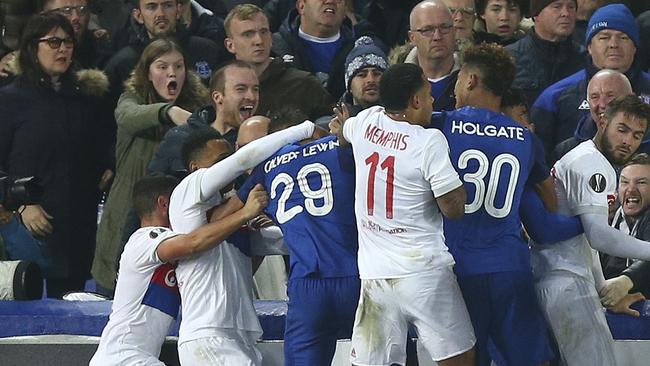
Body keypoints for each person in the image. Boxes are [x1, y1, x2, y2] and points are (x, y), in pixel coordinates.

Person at [429, 42, 573, 366]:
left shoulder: (439, 126)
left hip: (456, 271)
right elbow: (547, 210)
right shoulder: (525, 139)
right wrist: (588, 222)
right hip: (511, 269)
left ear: (469, 80)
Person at [335, 62, 476, 366]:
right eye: (428, 95)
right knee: (460, 359)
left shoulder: (366, 121)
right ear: (414, 101)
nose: (432, 101)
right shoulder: (428, 141)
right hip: (423, 273)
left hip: (375, 276)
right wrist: (460, 190)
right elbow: (453, 210)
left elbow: (342, 132)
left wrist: (341, 129)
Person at [170, 122, 318, 365]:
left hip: (239, 337)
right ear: (194, 167)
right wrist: (303, 130)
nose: (231, 167)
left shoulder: (236, 215)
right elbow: (244, 160)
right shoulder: (186, 193)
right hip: (208, 335)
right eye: (221, 160)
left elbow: (286, 243)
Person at [90, 175, 268, 365]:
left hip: (137, 357)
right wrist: (244, 213)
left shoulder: (174, 255)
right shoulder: (144, 240)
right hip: (123, 356)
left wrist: (254, 242)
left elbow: (231, 272)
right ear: (164, 204)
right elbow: (193, 243)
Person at [531, 95, 650, 366]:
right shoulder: (592, 165)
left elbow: (586, 237)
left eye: (637, 135)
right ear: (602, 121)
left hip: (559, 278)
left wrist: (602, 289)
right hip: (567, 283)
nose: (628, 141)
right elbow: (599, 235)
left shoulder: (586, 158)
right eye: (622, 129)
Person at [0, 12, 111, 298]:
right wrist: (21, 204)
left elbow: (105, 145)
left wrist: (107, 167)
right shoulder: (9, 99)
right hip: (28, 226)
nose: (63, 49)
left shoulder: (86, 98)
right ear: (31, 47)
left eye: (68, 42)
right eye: (53, 42)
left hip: (79, 226)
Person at [231, 123, 359, 365]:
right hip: (356, 275)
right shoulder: (342, 146)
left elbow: (224, 214)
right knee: (386, 356)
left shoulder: (268, 165)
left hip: (306, 285)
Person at [92, 38, 208, 296]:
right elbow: (127, 116)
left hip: (175, 223)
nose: (171, 73)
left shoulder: (198, 110)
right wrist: (168, 112)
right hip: (126, 217)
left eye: (178, 67)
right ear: (147, 72)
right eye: (162, 66)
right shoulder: (130, 100)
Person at [531, 3, 649, 163]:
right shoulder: (554, 97)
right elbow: (539, 162)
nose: (613, 44)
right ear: (589, 46)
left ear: (635, 47)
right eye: (604, 37)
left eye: (623, 37)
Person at [147, 60, 259, 177]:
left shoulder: (259, 140)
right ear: (218, 97)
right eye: (241, 89)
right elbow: (151, 188)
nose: (251, 97)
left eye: (255, 89)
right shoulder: (179, 137)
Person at [224, 4, 333, 121]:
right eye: (248, 34)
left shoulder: (303, 83)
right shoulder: (223, 88)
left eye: (263, 32)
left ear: (271, 38)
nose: (259, 41)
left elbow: (332, 126)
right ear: (230, 45)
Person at [271, 0, 378, 100]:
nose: (330, 1)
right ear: (301, 6)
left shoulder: (364, 49)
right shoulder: (274, 47)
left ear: (345, 9)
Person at [506, 0, 584, 106]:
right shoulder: (509, 58)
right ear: (536, 14)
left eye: (571, 7)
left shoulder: (586, 59)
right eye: (557, 7)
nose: (566, 13)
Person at [599, 153, 650, 312]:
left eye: (641, 182)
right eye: (624, 182)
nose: (631, 189)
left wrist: (626, 282)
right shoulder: (608, 219)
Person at [552, 69, 634, 161]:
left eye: (610, 96)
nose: (602, 104)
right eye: (595, 97)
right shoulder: (567, 151)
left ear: (630, 99)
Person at [406, 0, 459, 111]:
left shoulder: (475, 80)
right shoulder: (396, 82)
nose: (437, 36)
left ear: (454, 31)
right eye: (427, 30)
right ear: (412, 38)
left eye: (444, 28)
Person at [339, 35, 388, 116]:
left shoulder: (402, 121)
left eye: (377, 74)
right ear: (349, 86)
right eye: (362, 75)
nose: (371, 80)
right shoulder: (334, 125)